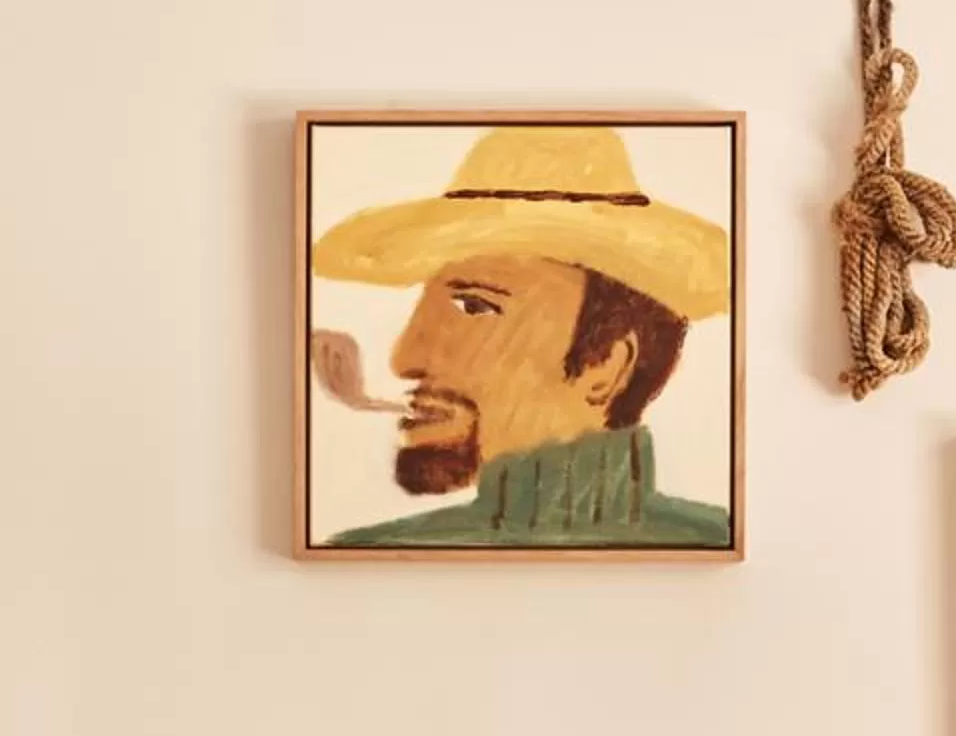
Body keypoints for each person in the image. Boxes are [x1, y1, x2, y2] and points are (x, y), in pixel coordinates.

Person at [312, 125, 732, 549]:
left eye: (473, 307)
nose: (404, 356)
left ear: (606, 364)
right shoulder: (375, 553)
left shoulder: (710, 540)